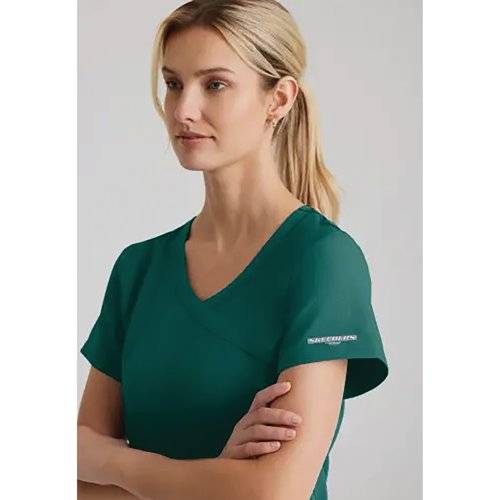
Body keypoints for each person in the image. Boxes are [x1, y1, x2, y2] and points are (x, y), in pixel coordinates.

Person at [77, 1, 389, 499]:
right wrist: (217, 480)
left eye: (215, 85)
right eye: (174, 83)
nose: (183, 109)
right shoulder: (138, 269)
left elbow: (274, 492)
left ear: (278, 99)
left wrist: (113, 462)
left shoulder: (322, 261)